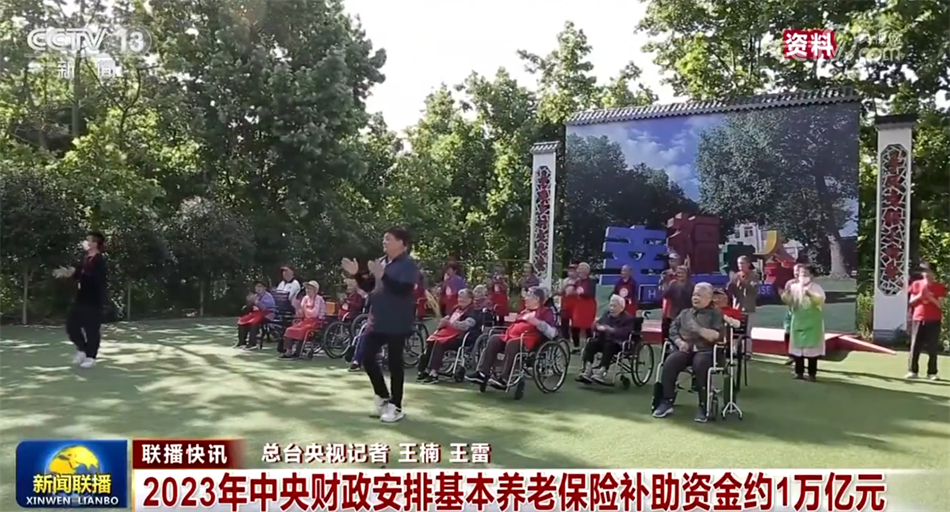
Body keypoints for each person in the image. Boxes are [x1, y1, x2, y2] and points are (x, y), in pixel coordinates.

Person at [342, 226, 420, 423]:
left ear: (401, 243)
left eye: (388, 239)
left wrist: (383, 275)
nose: (384, 242)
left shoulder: (408, 264)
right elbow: (370, 286)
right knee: (367, 358)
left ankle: (396, 406)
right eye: (384, 238)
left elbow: (404, 290)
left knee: (395, 363)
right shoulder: (381, 262)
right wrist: (357, 274)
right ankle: (383, 396)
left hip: (398, 321)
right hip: (378, 320)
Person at [653, 282, 724, 422]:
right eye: (694, 295)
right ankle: (667, 400)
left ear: (709, 298)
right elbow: (673, 330)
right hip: (685, 349)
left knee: (700, 363)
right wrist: (679, 342)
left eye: (699, 295)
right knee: (670, 362)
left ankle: (704, 405)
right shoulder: (685, 313)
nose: (695, 298)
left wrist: (698, 329)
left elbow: (716, 336)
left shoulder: (715, 314)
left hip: (705, 350)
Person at [466, 286, 557, 389]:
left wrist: (537, 322)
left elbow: (552, 333)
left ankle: (504, 378)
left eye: (528, 296)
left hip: (528, 341)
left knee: (512, 343)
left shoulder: (545, 311)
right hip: (510, 336)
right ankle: (482, 373)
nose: (525, 298)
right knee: (494, 339)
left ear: (536, 299)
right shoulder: (525, 311)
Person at [53, 230, 108, 368]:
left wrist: (79, 274)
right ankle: (82, 350)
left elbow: (95, 279)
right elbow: (77, 274)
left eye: (88, 240)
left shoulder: (100, 261)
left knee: (91, 330)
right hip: (81, 299)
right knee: (71, 326)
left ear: (95, 244)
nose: (85, 242)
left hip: (94, 300)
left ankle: (91, 357)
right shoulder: (84, 259)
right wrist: (67, 273)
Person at [417, 289, 480, 384]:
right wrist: (443, 322)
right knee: (431, 341)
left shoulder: (473, 311)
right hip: (448, 334)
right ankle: (424, 370)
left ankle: (434, 373)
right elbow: (447, 318)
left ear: (470, 299)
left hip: (462, 337)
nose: (461, 300)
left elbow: (466, 326)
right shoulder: (456, 308)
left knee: (440, 343)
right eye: (460, 297)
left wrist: (451, 323)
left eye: (464, 298)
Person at [781, 264, 826, 381]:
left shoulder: (816, 288)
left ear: (812, 275)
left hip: (812, 323)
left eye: (806, 274)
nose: (803, 276)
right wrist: (786, 295)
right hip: (798, 321)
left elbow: (820, 301)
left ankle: (812, 374)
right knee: (797, 350)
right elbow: (788, 301)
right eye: (801, 273)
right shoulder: (794, 287)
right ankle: (799, 373)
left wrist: (810, 294)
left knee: (812, 351)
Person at [577, 294, 635, 384]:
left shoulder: (628, 319)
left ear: (621, 308)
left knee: (609, 345)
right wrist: (596, 326)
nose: (611, 308)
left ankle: (601, 371)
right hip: (603, 340)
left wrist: (610, 330)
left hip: (618, 343)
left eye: (614, 306)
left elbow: (625, 333)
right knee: (591, 343)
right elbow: (598, 325)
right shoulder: (606, 315)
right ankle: (588, 370)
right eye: (610, 305)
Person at [907, 262, 946, 381]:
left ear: (933, 272)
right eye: (924, 271)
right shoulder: (916, 284)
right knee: (915, 346)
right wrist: (920, 295)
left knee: (932, 347)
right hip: (918, 318)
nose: (926, 273)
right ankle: (913, 371)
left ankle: (932, 372)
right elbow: (911, 302)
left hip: (934, 319)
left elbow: (940, 305)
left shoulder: (939, 286)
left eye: (928, 271)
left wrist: (930, 297)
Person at [280, 281, 326, 359]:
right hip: (305, 320)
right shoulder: (305, 298)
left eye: (310, 289)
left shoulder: (319, 299)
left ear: (315, 290)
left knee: (302, 330)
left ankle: (298, 352)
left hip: (315, 321)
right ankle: (288, 351)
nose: (308, 290)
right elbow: (301, 311)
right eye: (307, 288)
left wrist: (305, 310)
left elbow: (315, 313)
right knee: (289, 329)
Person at [726, 256, 760, 357]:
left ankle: (747, 351)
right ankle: (735, 351)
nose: (740, 266)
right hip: (737, 308)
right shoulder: (736, 276)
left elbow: (754, 289)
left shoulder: (754, 275)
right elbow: (731, 291)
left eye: (742, 263)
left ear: (748, 264)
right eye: (739, 263)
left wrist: (744, 283)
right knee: (735, 330)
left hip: (748, 307)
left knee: (747, 331)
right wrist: (730, 285)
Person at [236, 281, 276, 349]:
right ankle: (241, 342)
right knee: (242, 320)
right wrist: (249, 301)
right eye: (257, 286)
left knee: (254, 323)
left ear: (264, 288)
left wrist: (256, 302)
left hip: (267, 314)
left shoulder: (268, 296)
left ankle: (252, 343)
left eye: (260, 286)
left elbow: (264, 308)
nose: (258, 288)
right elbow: (250, 308)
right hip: (256, 314)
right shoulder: (256, 296)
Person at [661, 265, 694, 341]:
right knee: (672, 333)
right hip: (674, 314)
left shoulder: (692, 286)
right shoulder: (673, 284)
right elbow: (665, 295)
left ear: (687, 274)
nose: (680, 275)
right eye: (678, 273)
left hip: (686, 314)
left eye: (682, 273)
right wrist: (666, 282)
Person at [571, 262, 598, 353]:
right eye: (578, 269)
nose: (578, 271)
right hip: (579, 305)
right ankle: (576, 346)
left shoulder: (591, 281)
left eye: (581, 269)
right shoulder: (578, 282)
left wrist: (581, 293)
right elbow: (573, 290)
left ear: (586, 271)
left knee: (588, 327)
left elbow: (591, 293)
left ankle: (590, 346)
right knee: (575, 326)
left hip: (588, 306)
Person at [659, 253, 685, 340]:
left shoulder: (683, 273)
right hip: (668, 304)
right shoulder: (665, 274)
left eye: (674, 260)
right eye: (670, 260)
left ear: (679, 261)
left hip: (679, 305)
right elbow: (662, 289)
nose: (672, 262)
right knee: (666, 326)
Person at [558, 265, 578, 339]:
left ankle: (575, 339)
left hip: (575, 304)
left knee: (575, 323)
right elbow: (560, 291)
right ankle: (565, 338)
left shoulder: (579, 281)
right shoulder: (565, 281)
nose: (571, 273)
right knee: (564, 321)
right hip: (565, 303)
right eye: (570, 271)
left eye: (573, 271)